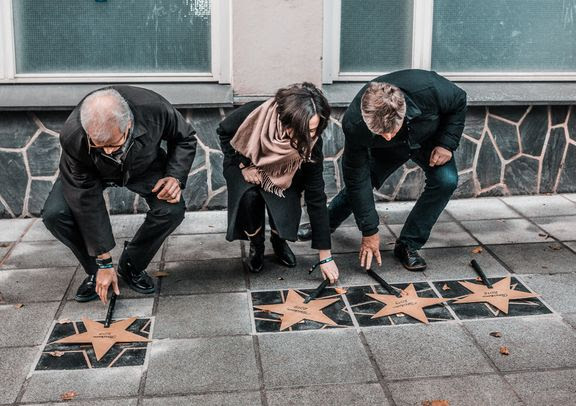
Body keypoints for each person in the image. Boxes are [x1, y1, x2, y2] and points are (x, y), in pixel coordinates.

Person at [299, 69, 467, 272]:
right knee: (364, 182)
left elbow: (459, 100)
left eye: (391, 130)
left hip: (428, 138)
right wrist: (369, 230)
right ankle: (324, 225)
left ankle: (408, 244)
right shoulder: (355, 124)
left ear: (402, 111)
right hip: (387, 149)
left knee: (446, 181)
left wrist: (447, 143)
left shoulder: (430, 88)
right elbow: (357, 179)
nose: (387, 136)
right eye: (381, 131)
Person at [42, 86, 197, 303]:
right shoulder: (73, 134)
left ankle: (132, 264)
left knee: (171, 210)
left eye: (114, 145)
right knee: (55, 214)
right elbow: (86, 202)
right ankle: (96, 271)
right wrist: (103, 261)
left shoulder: (155, 109)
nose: (107, 152)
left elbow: (185, 138)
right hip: (89, 172)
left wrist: (174, 177)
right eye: (99, 146)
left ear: (129, 125)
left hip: (143, 165)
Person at [218, 83, 339, 282]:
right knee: (249, 197)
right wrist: (243, 165)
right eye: (303, 130)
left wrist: (325, 255)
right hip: (246, 161)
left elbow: (316, 196)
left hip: (286, 168)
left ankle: (278, 241)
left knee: (285, 199)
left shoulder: (311, 144)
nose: (309, 137)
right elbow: (223, 131)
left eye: (313, 130)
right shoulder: (254, 112)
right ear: (286, 122)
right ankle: (257, 244)